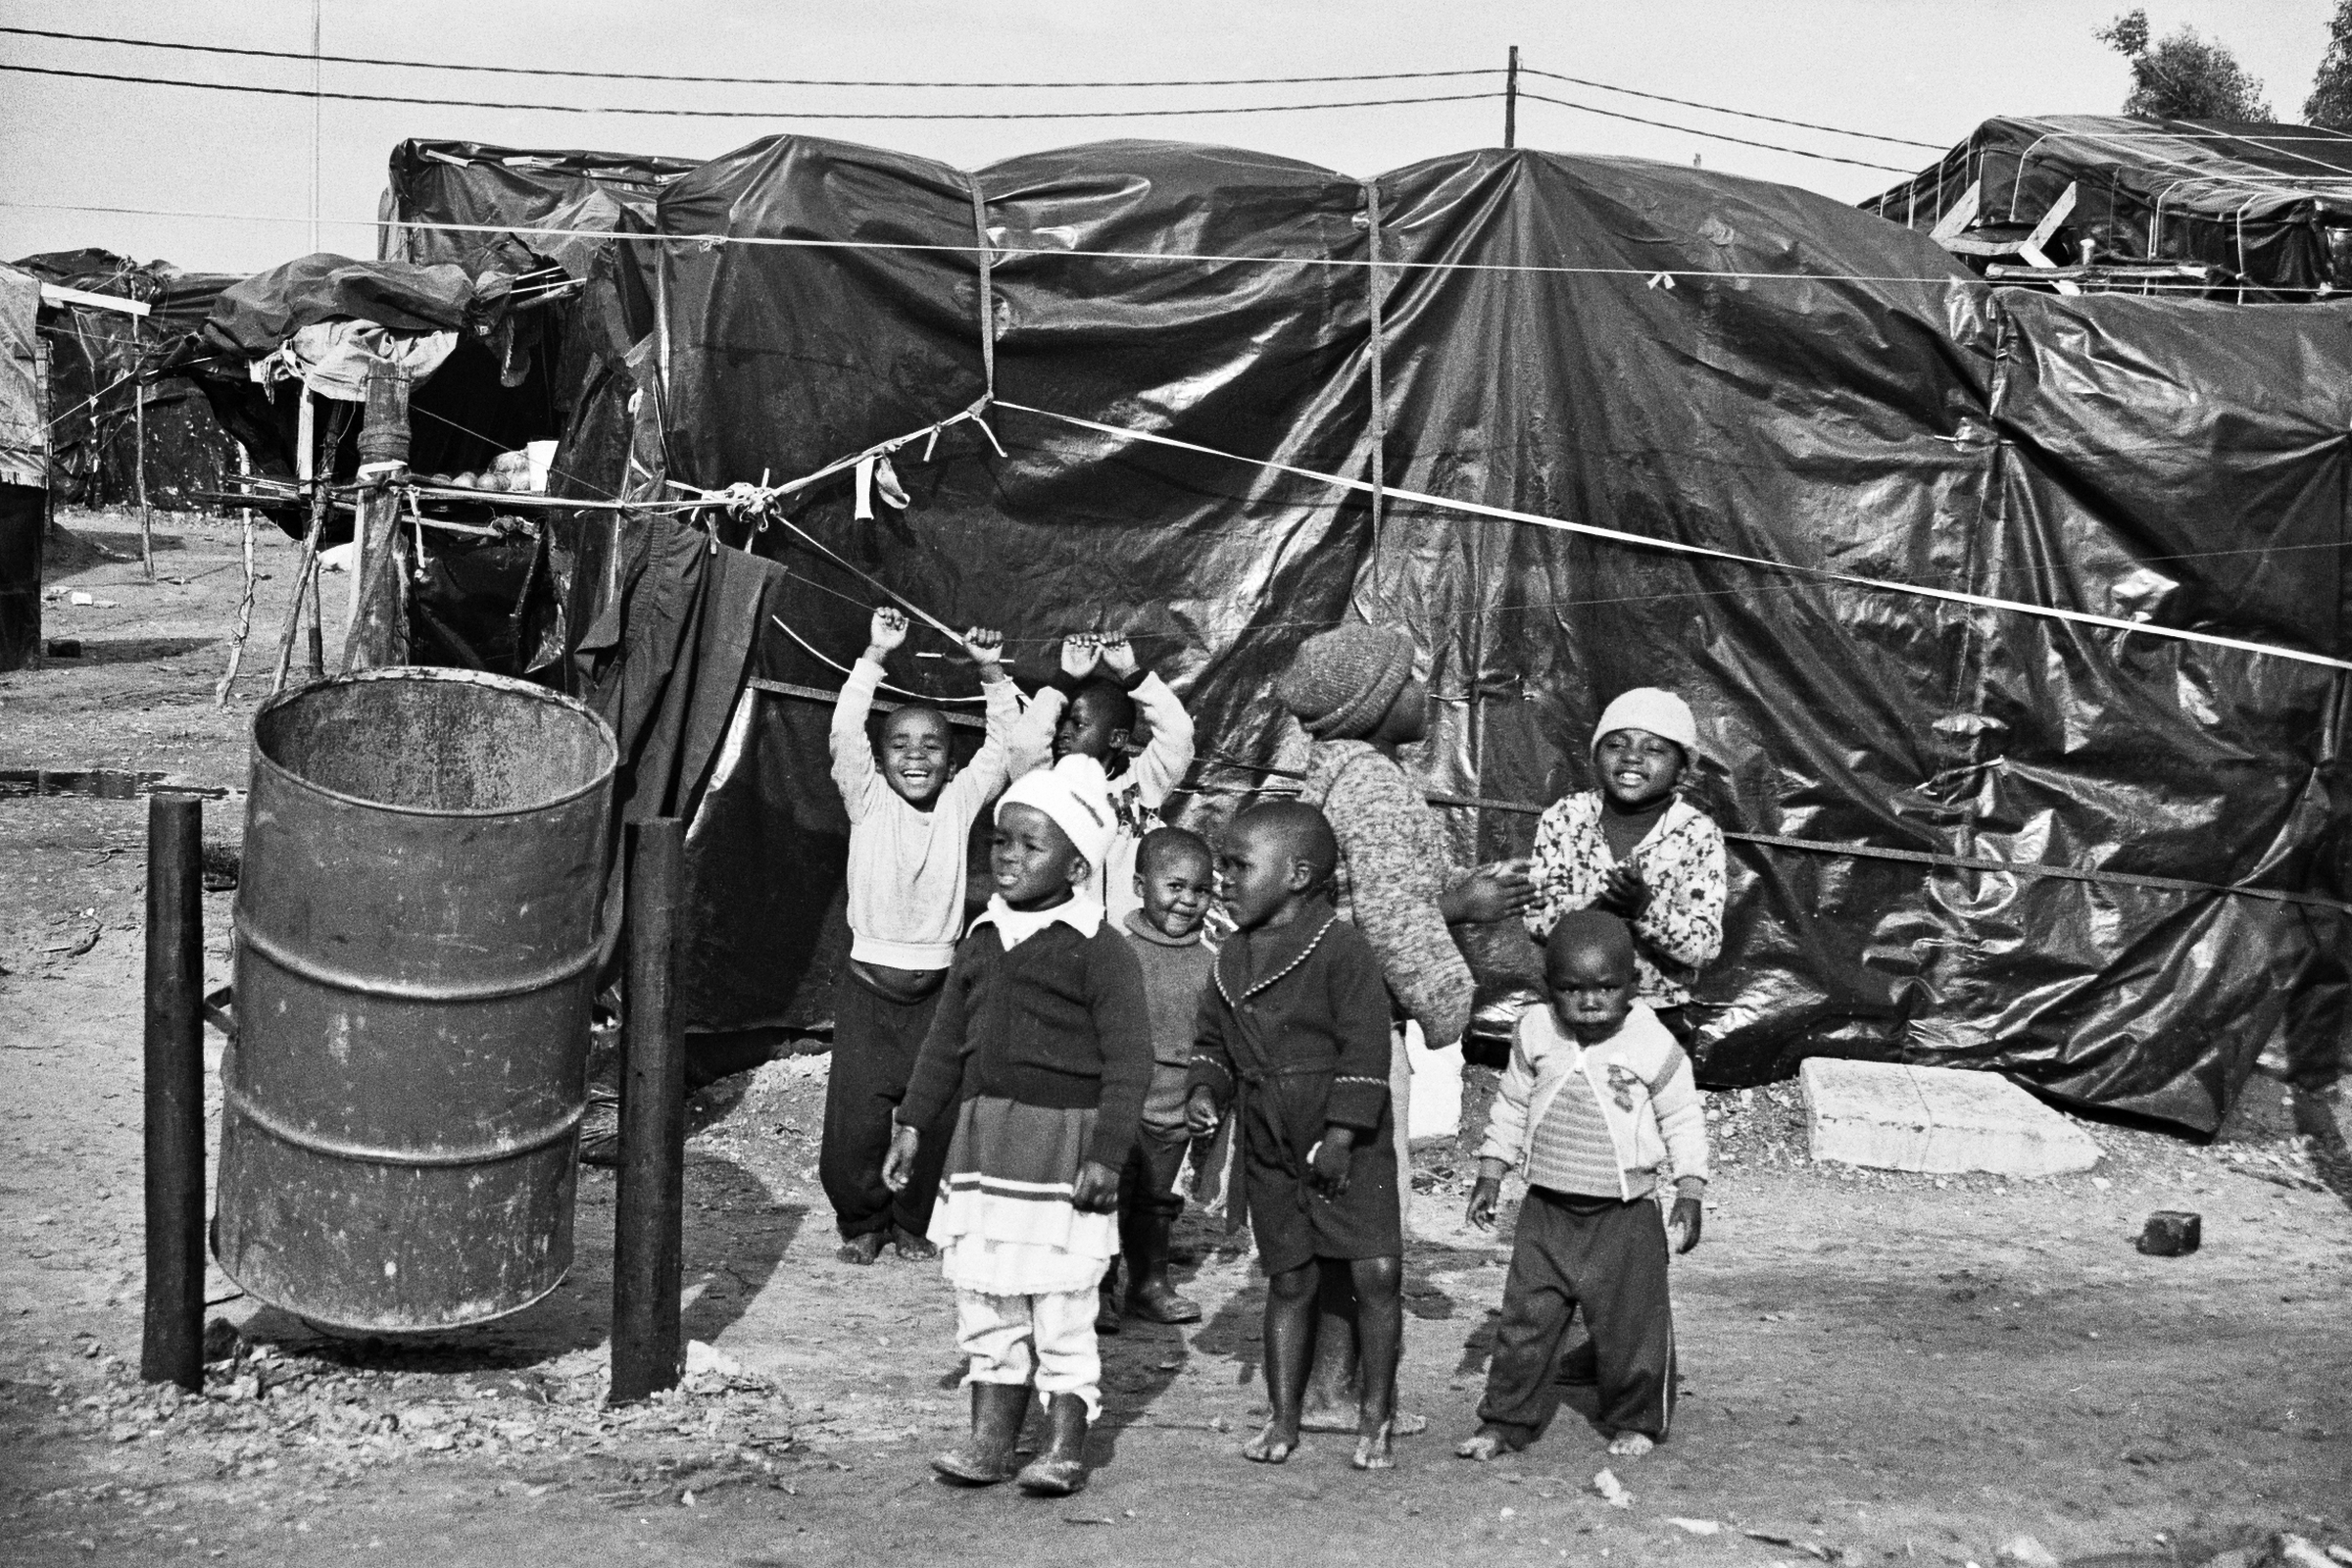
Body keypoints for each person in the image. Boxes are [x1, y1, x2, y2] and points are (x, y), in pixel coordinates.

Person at [1275, 621, 1535, 1431]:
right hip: (1356, 1028)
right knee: (1362, 1214)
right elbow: (1390, 921)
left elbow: (1373, 886)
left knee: (1335, 1205)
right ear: (1373, 704)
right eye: (1410, 680)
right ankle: (1333, 1391)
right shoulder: (1376, 788)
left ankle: (1326, 1386)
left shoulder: (1341, 775)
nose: (1427, 692)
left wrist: (1462, 888)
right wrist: (1450, 999)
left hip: (1315, 1020)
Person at [884, 754, 1153, 1498]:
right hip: (984, 1146)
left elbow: (1130, 1061)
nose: (1009, 856)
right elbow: (945, 1041)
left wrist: (1107, 1154)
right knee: (987, 1293)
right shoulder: (981, 938)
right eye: (1003, 840)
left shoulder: (1100, 948)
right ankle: (990, 1440)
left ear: (1076, 866)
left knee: (1062, 1299)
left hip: (1063, 1149)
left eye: (1032, 845)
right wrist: (913, 1123)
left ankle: (1064, 1444)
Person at [1184, 802, 1407, 1471]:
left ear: (1298, 875)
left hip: (1347, 1143)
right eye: (1222, 865)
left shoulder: (1341, 948)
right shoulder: (1231, 957)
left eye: (1238, 866)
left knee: (1376, 1272)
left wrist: (1340, 1135)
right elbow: (1212, 1043)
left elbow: (1365, 1049)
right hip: (1269, 1141)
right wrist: (1205, 1090)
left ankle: (1376, 1416)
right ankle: (1283, 1418)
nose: (1223, 879)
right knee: (1289, 1279)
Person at [1456, 911, 1708, 1461]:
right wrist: (1491, 1170)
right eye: (1571, 989)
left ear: (1633, 985)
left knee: (1632, 1327)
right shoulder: (1536, 1030)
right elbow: (1512, 1103)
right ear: (1548, 987)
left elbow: (1683, 1117)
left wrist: (1689, 1189)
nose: (1590, 1001)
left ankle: (1637, 1420)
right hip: (1546, 1212)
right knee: (1525, 1324)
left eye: (1606, 988)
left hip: (1624, 1216)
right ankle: (1504, 1422)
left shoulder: (1652, 1042)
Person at [822, 607, 1019, 1266]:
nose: (916, 756)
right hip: (867, 995)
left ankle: (914, 1221)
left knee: (932, 1115)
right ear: (879, 760)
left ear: (951, 761)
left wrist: (991, 672)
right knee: (855, 1123)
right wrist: (876, 655)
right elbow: (845, 730)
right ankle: (863, 1222)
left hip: (937, 995)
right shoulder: (867, 800)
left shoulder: (959, 805)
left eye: (932, 746)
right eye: (900, 745)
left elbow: (1003, 747)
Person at [1525, 687, 1727, 1044]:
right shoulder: (1566, 818)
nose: (1632, 757)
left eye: (1654, 749)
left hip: (1658, 1013)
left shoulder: (1697, 834)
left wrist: (1645, 909)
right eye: (1616, 744)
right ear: (1595, 756)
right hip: (1573, 1005)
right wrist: (1598, 909)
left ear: (1682, 769)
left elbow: (1704, 946)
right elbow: (1537, 919)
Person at [1101, 825, 1219, 1334]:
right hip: (1122, 1106)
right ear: (1139, 886)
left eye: (1201, 889)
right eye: (1175, 886)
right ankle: (1099, 1288)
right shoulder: (1116, 954)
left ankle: (1149, 1285)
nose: (1187, 900)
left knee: (1156, 1201)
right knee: (1109, 1198)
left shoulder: (1212, 965)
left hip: (1176, 1108)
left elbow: (1214, 1041)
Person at [1011, 631, 1196, 925]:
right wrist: (1063, 681)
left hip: (1130, 935)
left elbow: (1178, 733)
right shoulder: (1047, 784)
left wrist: (1131, 673)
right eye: (1061, 722)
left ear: (1117, 738)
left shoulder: (1143, 780)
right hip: (1065, 935)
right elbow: (1025, 743)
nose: (1063, 732)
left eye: (1078, 724)